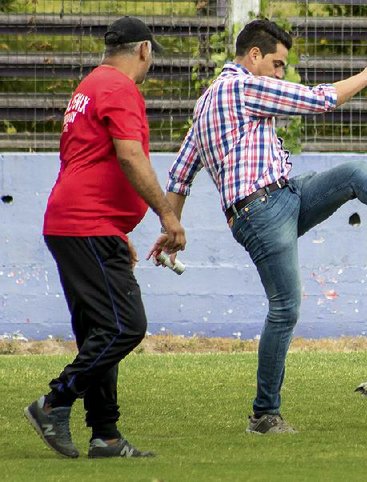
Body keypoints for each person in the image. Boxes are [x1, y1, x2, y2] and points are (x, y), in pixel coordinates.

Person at [161, 18, 367, 434]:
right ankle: (265, 415)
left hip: (284, 195)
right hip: (260, 211)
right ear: (254, 57)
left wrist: (171, 227)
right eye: (278, 64)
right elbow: (318, 100)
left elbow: (180, 174)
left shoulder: (207, 101)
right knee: (285, 308)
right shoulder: (242, 86)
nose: (281, 73)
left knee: (354, 173)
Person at [24, 16, 186, 458]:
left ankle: (106, 435)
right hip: (86, 223)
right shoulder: (119, 88)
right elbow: (130, 157)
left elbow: (84, 160)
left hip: (74, 223)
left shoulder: (89, 86)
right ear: (144, 51)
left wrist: (118, 227)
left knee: (98, 331)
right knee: (125, 326)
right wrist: (167, 215)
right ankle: (54, 402)